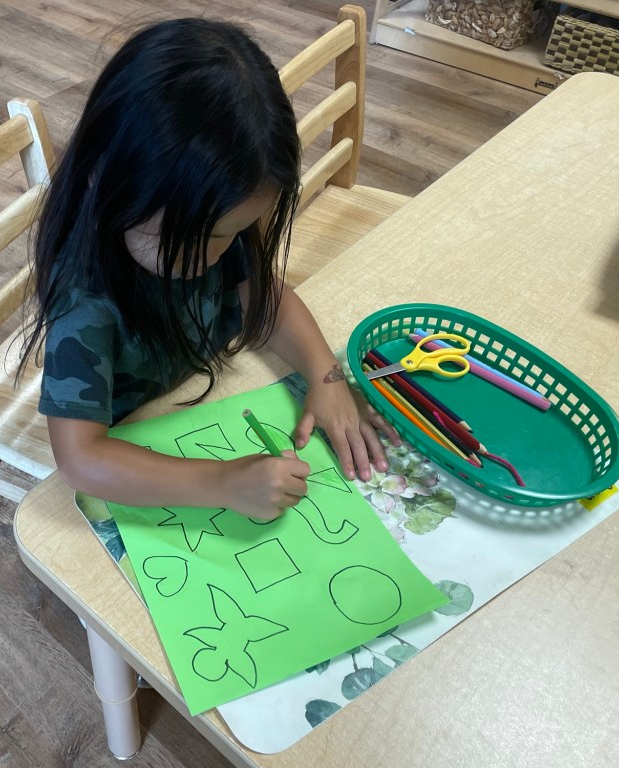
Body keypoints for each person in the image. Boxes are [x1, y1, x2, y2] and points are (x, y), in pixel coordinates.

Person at [20, 17, 398, 520]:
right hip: (134, 440)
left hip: (206, 392)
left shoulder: (214, 214)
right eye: (198, 240)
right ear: (106, 181)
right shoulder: (84, 302)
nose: (216, 256)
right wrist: (223, 483)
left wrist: (325, 377)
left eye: (232, 234)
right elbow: (81, 459)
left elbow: (267, 298)